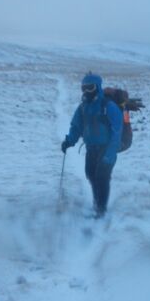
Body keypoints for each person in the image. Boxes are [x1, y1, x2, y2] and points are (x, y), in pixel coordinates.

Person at [61, 72, 123, 217]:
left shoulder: (108, 106)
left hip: (106, 148)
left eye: (90, 87)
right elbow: (76, 126)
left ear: (98, 87)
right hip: (91, 148)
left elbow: (117, 131)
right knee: (91, 175)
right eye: (84, 88)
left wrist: (110, 153)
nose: (87, 91)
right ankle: (97, 204)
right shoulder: (83, 107)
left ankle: (101, 209)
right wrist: (69, 141)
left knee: (102, 177)